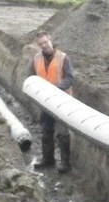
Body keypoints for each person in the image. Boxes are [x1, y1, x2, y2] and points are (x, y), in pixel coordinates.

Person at [28, 30, 75, 173]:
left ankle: (65, 163)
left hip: (61, 101)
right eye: (40, 44)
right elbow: (30, 77)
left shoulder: (63, 58)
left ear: (50, 40)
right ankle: (48, 160)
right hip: (45, 101)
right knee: (46, 131)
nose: (44, 45)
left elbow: (70, 78)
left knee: (62, 132)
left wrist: (56, 88)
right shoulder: (36, 59)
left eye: (45, 42)